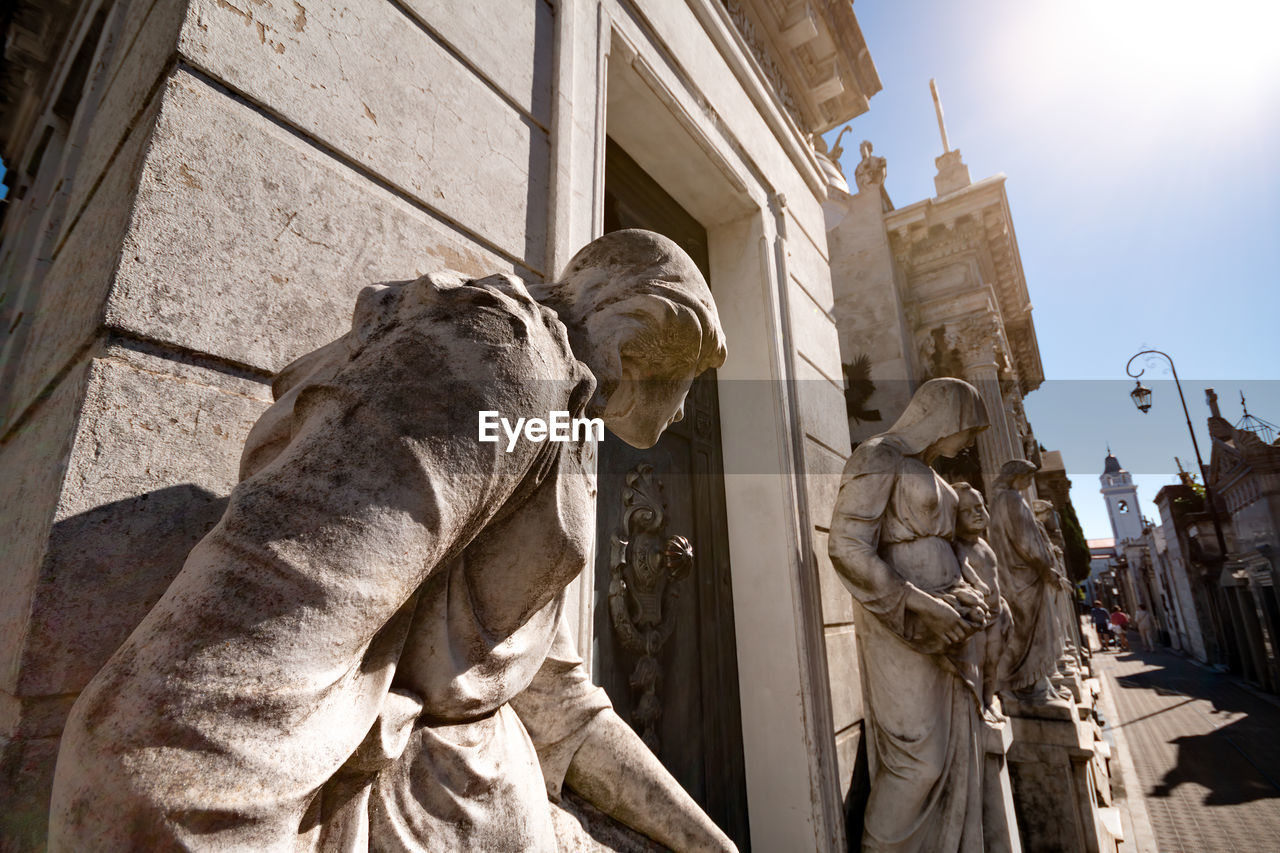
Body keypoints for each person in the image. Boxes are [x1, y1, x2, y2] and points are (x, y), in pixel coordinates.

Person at [49, 231, 736, 852]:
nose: (682, 411)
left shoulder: (560, 423)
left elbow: (556, 700)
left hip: (487, 799)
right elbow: (185, 732)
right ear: (639, 343)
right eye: (687, 382)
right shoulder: (505, 370)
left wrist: (705, 842)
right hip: (418, 813)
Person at [829, 377, 991, 853]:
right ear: (944, 416)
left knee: (951, 754)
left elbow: (948, 550)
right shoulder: (877, 456)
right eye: (967, 430)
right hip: (901, 623)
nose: (966, 446)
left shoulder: (931, 473)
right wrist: (923, 604)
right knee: (919, 762)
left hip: (948, 627)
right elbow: (846, 547)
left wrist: (965, 593)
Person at [988, 460, 1065, 707]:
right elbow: (1027, 543)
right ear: (1016, 476)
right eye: (1027, 477)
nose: (1030, 483)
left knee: (1025, 633)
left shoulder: (1001, 500)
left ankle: (1037, 684)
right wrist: (1046, 570)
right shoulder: (1011, 500)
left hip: (1015, 575)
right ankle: (1029, 686)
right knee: (1032, 633)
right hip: (1025, 578)